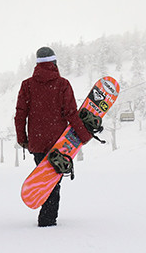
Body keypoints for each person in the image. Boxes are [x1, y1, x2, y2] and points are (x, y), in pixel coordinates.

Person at [15, 46, 93, 227]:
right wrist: (83, 135)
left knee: (48, 179)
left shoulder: (27, 85)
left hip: (37, 142)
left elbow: (20, 114)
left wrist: (22, 138)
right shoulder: (62, 84)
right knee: (52, 181)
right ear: (54, 63)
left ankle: (47, 218)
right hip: (60, 142)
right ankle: (48, 221)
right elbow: (71, 113)